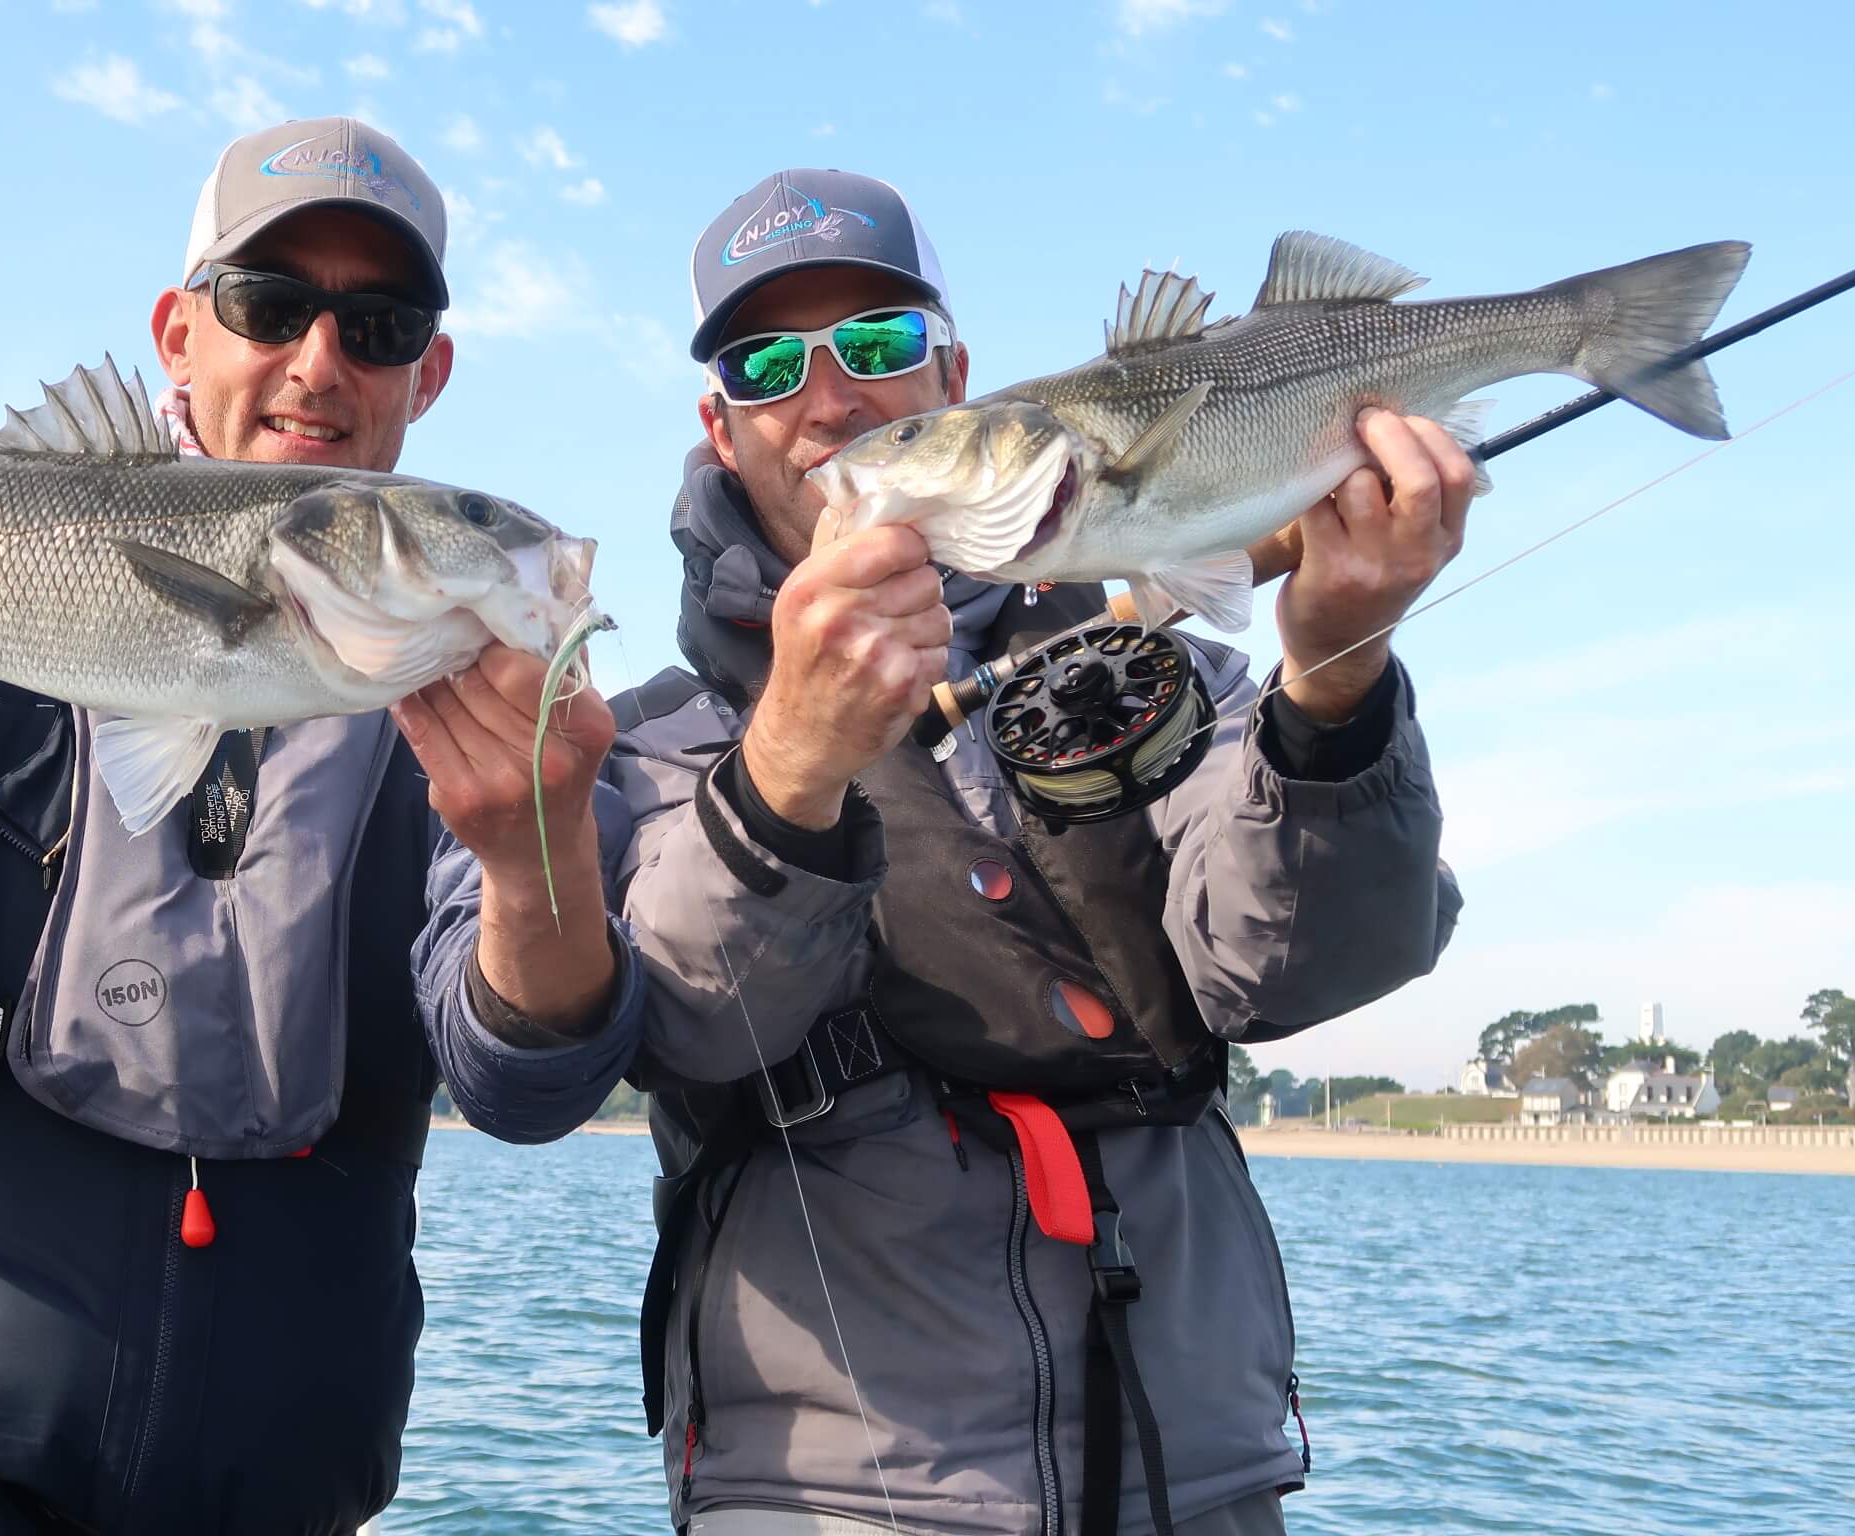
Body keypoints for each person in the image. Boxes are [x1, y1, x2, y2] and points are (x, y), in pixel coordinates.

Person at [0, 117, 641, 1536]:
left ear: (429, 368)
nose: (317, 361)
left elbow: (529, 1094)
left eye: (378, 322)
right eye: (269, 306)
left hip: (275, 1491)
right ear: (179, 333)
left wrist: (539, 865)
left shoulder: (482, 702)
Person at [574, 168, 1462, 1534]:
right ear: (720, 422)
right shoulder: (639, 751)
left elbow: (1315, 965)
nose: (829, 400)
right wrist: (792, 762)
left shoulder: (1160, 670)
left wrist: (1335, 678)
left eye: (874, 346)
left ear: (956, 378)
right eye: (766, 363)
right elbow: (684, 1032)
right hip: (823, 1500)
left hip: (1201, 1474)